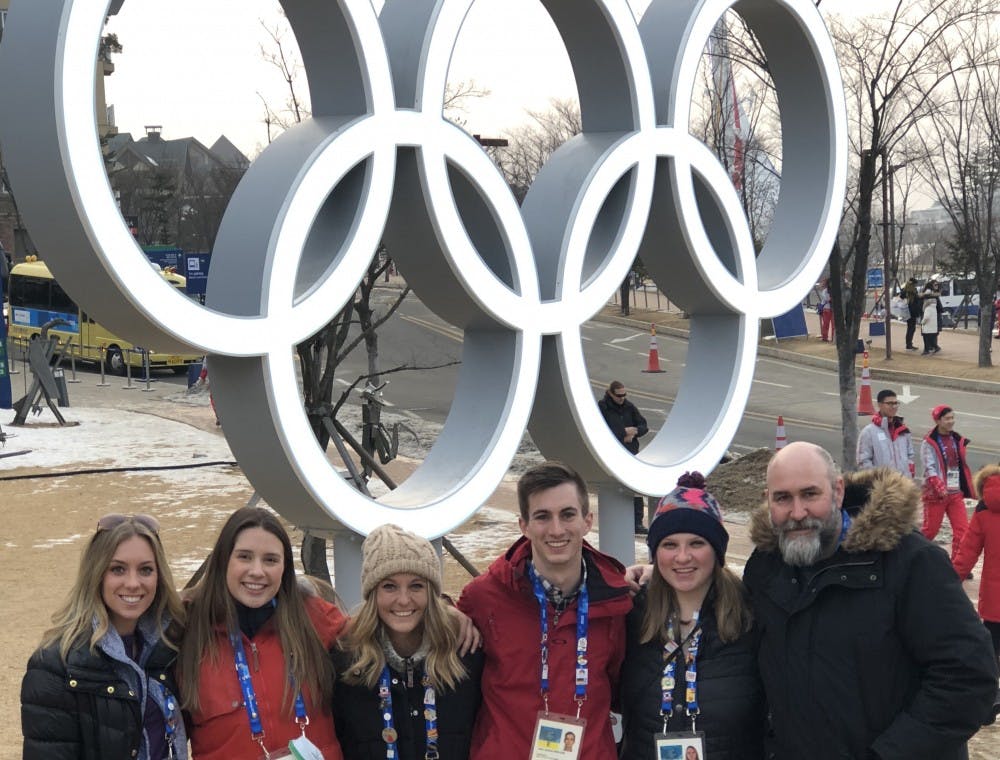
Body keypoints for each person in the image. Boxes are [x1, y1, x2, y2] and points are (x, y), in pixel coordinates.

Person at [743, 441, 998, 759]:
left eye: (810, 494)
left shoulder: (911, 563)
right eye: (783, 498)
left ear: (837, 491)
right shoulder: (765, 567)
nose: (797, 513)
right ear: (768, 501)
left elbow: (968, 678)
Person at [457, 461, 633, 760]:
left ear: (587, 521)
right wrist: (445, 609)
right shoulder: (484, 597)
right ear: (524, 526)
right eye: (542, 516)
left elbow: (624, 687)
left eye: (567, 515)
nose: (556, 529)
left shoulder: (616, 602)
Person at [178, 506, 348, 760]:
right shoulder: (186, 629)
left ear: (284, 568)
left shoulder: (314, 618)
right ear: (224, 560)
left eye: (270, 560)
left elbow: (382, 641)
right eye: (244, 557)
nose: (257, 571)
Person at [619, 472, 765, 760]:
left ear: (717, 551)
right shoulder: (631, 615)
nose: (682, 557)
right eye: (669, 544)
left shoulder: (752, 619)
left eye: (697, 543)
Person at [21, 513, 189, 759]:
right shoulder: (55, 666)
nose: (133, 583)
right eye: (118, 569)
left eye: (145, 570)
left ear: (159, 577)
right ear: (96, 574)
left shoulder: (168, 647)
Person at [333, 523, 484, 759]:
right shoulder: (345, 662)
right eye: (389, 586)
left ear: (431, 594)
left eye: (416, 586)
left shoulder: (465, 652)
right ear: (372, 594)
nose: (404, 600)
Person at [954, 465, 1000, 671]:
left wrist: (950, 582)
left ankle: (993, 694)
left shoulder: (983, 511)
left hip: (994, 602)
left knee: (991, 652)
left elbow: (967, 553)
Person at [921, 405, 974, 563]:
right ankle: (914, 559)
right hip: (935, 495)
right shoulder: (928, 443)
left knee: (963, 531)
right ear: (938, 421)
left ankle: (956, 564)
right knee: (930, 531)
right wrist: (937, 484)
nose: (951, 421)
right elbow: (929, 468)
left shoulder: (956, 439)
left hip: (955, 493)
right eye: (947, 418)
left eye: (952, 418)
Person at [598, 380, 650, 533]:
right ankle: (616, 520)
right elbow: (602, 429)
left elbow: (643, 425)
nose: (622, 398)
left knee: (635, 487)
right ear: (610, 394)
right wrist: (623, 434)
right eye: (619, 395)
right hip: (612, 452)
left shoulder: (629, 407)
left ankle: (637, 522)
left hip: (631, 451)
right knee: (615, 487)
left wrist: (634, 432)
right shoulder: (603, 408)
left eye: (624, 395)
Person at [856, 388, 914, 477]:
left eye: (896, 403)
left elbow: (910, 455)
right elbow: (863, 461)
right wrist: (877, 480)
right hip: (882, 487)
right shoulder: (869, 432)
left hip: (902, 485)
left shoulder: (903, 431)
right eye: (889, 403)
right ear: (879, 405)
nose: (894, 407)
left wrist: (908, 476)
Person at [921, 282, 941, 354]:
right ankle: (934, 347)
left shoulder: (928, 307)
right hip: (933, 325)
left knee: (927, 337)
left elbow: (926, 317)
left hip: (927, 325)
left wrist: (922, 322)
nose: (936, 286)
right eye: (935, 285)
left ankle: (929, 349)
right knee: (932, 336)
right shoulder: (934, 304)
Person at [904, 276, 920, 350]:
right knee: (911, 328)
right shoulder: (912, 290)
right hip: (912, 311)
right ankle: (909, 344)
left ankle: (908, 343)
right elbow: (917, 299)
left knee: (909, 328)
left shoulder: (905, 289)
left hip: (907, 311)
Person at [818, 277, 833, 342]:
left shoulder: (827, 290)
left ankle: (833, 338)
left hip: (831, 309)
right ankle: (825, 338)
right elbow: (827, 299)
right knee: (826, 324)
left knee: (833, 325)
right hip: (826, 308)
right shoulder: (825, 291)